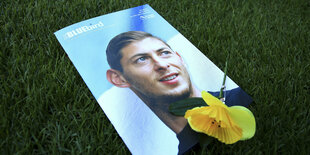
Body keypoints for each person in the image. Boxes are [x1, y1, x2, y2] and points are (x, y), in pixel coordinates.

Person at [106, 31, 252, 154]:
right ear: (118, 78)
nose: (162, 65)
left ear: (180, 58)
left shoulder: (239, 99)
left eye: (164, 53)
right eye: (141, 59)